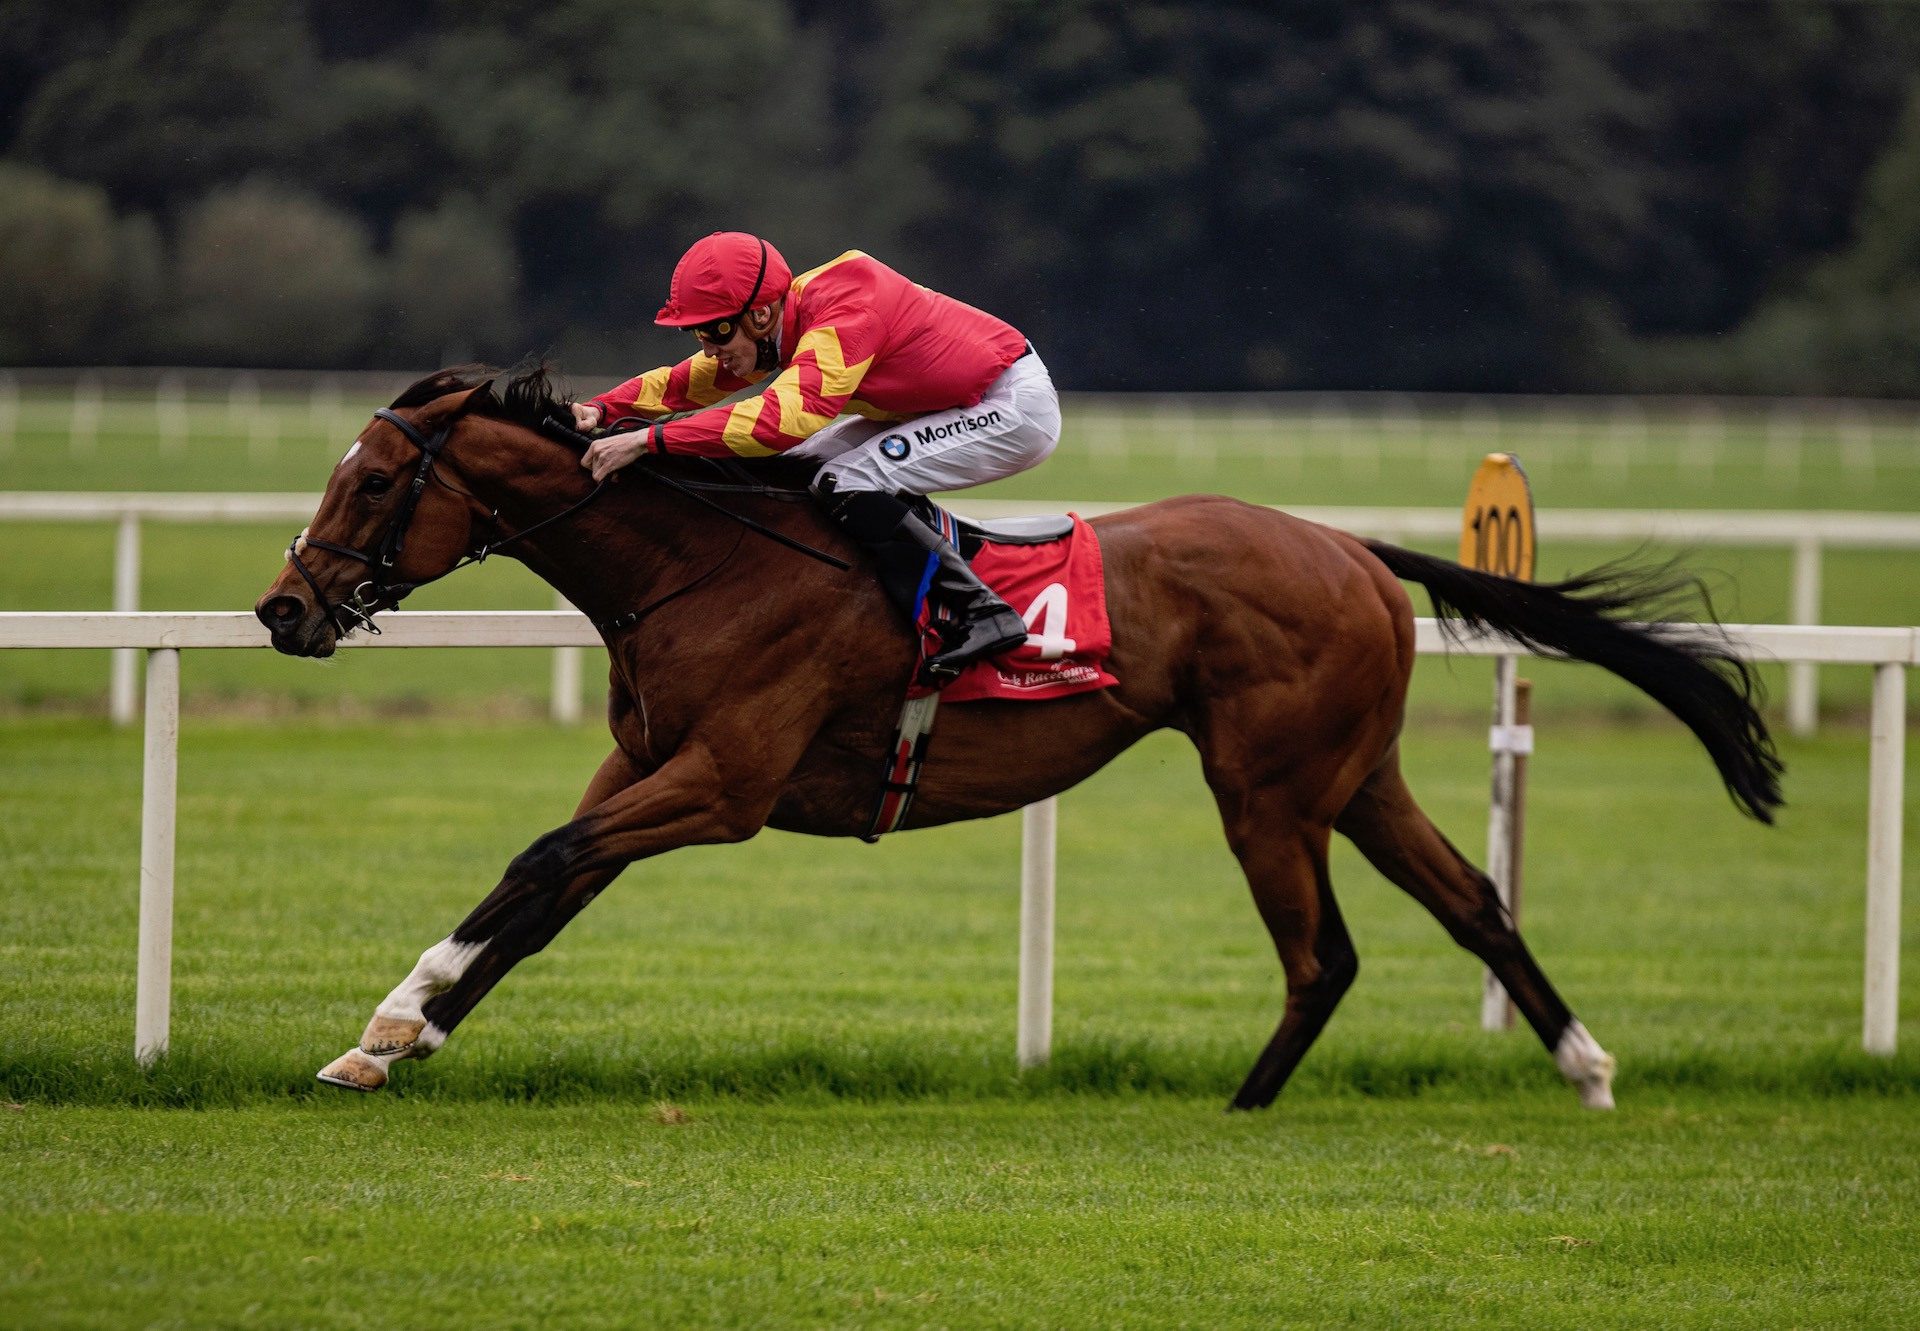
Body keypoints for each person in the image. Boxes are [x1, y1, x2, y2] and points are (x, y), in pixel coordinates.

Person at [574, 231, 1061, 679]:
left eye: (716, 332)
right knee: (794, 475)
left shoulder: (845, 312)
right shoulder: (779, 323)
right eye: (697, 334)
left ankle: (982, 611)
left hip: (1009, 404)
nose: (708, 347)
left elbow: (782, 423)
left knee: (842, 481)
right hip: (942, 401)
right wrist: (600, 408)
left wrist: (647, 440)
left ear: (759, 314)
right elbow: (686, 384)